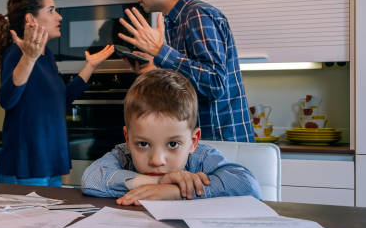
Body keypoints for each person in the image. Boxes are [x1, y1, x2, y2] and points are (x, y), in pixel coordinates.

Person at [118, 0, 254, 142]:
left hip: (223, 142)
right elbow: (190, 82)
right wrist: (155, 68)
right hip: (204, 141)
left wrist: (160, 52)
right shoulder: (175, 21)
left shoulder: (197, 15)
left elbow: (215, 83)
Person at [0, 0, 114, 187]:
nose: (59, 17)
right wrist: (29, 57)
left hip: (49, 167)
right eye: (51, 10)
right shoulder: (17, 53)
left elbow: (61, 100)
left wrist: (90, 65)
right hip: (26, 169)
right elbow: (6, 98)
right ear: (31, 19)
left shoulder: (47, 57)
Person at [81, 69, 261, 205]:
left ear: (193, 141)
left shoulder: (202, 157)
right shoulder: (123, 154)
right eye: (143, 144)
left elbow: (248, 185)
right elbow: (91, 179)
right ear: (128, 139)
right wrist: (157, 182)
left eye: (173, 144)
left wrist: (176, 191)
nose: (157, 161)